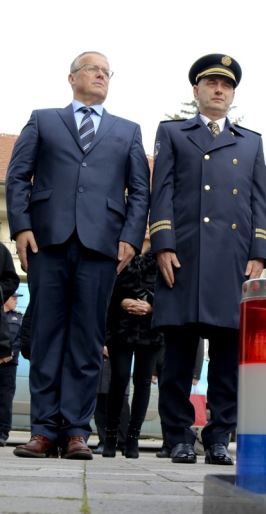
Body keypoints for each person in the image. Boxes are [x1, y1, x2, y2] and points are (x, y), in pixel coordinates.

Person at [6, 51, 150, 459]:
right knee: (47, 336)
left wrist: (130, 236)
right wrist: (21, 226)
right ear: (72, 78)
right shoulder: (43, 120)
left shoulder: (128, 131)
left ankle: (75, 431)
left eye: (107, 72)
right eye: (93, 69)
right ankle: (43, 431)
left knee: (87, 340)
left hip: (102, 246)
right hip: (47, 242)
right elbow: (18, 177)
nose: (101, 76)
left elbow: (140, 190)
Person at [150, 53, 266, 465]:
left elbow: (259, 200)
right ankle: (178, 435)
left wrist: (259, 252)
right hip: (184, 254)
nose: (219, 90)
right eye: (212, 83)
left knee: (226, 357)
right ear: (196, 90)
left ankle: (219, 436)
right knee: (178, 355)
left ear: (232, 94)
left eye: (226, 85)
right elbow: (162, 190)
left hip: (233, 258)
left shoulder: (251, 141)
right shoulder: (173, 133)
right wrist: (162, 242)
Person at [102, 240, 163, 459]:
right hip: (121, 327)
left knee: (143, 382)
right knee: (119, 379)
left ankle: (133, 438)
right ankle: (111, 436)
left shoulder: (162, 253)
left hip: (151, 330)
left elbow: (173, 290)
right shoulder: (122, 250)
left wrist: (152, 305)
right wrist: (122, 302)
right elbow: (108, 288)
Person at [0, 244, 20, 447]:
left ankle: (2, 432)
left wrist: (9, 352)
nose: (14, 300)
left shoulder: (16, 317)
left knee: (4, 398)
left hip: (8, 363)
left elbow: (19, 338)